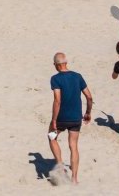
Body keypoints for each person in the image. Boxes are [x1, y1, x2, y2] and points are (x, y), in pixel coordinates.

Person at [49, 52, 93, 185]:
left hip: (62, 117)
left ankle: (60, 165)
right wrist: (88, 112)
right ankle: (74, 179)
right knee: (73, 146)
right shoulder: (77, 76)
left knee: (51, 136)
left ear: (56, 65)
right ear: (66, 63)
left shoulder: (55, 79)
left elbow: (57, 100)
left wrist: (54, 120)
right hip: (75, 117)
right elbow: (89, 97)